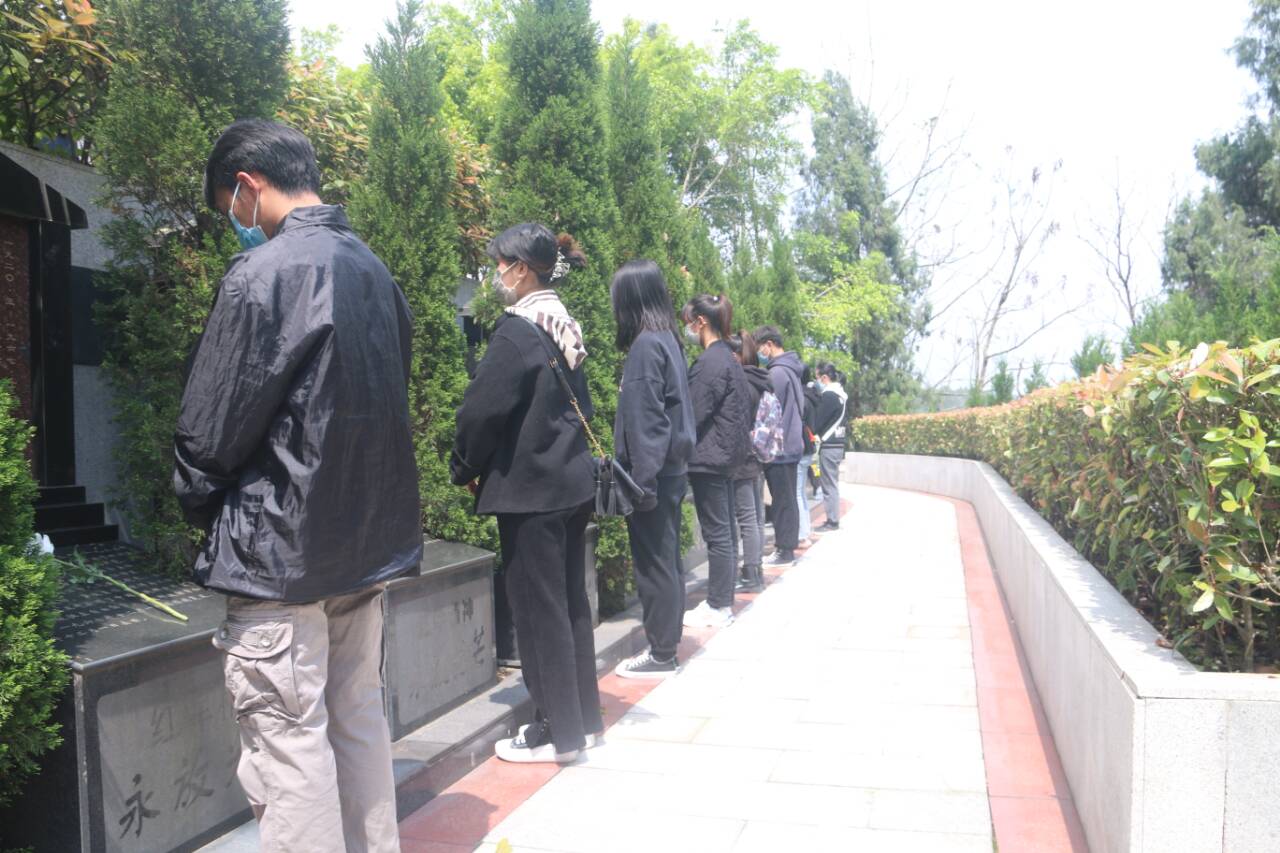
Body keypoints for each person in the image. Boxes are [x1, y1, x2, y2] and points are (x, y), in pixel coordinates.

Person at [174, 119, 419, 853]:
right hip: (362, 548)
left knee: (288, 743)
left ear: (247, 186)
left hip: (278, 555)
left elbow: (210, 431)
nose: (233, 221)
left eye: (228, 206)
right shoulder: (375, 271)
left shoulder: (263, 274)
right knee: (357, 721)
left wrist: (198, 502)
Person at [451, 223, 602, 764]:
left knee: (539, 612)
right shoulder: (561, 322)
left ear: (521, 269)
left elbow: (480, 411)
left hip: (531, 491)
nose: (495, 273)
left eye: (499, 264)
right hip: (570, 483)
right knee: (570, 604)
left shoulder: (517, 331)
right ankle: (583, 722)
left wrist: (464, 465)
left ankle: (556, 733)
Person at [610, 261, 696, 678]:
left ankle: (662, 653)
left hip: (654, 475)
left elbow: (648, 423)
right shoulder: (668, 340)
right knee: (668, 561)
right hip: (672, 470)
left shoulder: (646, 347)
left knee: (655, 565)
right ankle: (667, 644)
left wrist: (641, 484)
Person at [682, 294, 753, 628]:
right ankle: (722, 601)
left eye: (688, 322)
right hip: (726, 457)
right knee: (725, 531)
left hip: (709, 458)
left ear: (701, 322)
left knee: (718, 534)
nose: (686, 329)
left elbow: (693, 412)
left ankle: (718, 604)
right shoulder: (729, 358)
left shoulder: (711, 362)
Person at [754, 326, 806, 566]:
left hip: (780, 446)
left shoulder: (776, 373)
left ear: (769, 344)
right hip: (792, 443)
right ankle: (787, 547)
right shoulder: (792, 369)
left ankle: (784, 550)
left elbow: (767, 413)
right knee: (789, 499)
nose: (759, 353)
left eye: (760, 347)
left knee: (782, 501)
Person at [727, 331, 771, 592]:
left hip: (741, 457)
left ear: (737, 355)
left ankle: (750, 574)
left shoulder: (741, 382)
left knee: (745, 517)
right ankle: (756, 569)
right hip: (755, 454)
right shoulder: (759, 379)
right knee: (754, 516)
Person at [814, 362, 849, 531]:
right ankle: (832, 518)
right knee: (832, 483)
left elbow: (817, 421)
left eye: (817, 377)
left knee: (829, 485)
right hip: (838, 444)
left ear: (824, 377)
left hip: (829, 445)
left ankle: (832, 521)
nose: (816, 381)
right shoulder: (841, 395)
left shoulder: (829, 396)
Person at [796, 365, 821, 548]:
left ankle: (802, 535)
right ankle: (807, 529)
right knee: (801, 492)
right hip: (809, 446)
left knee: (797, 492)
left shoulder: (801, 397)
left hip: (801, 445)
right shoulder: (812, 396)